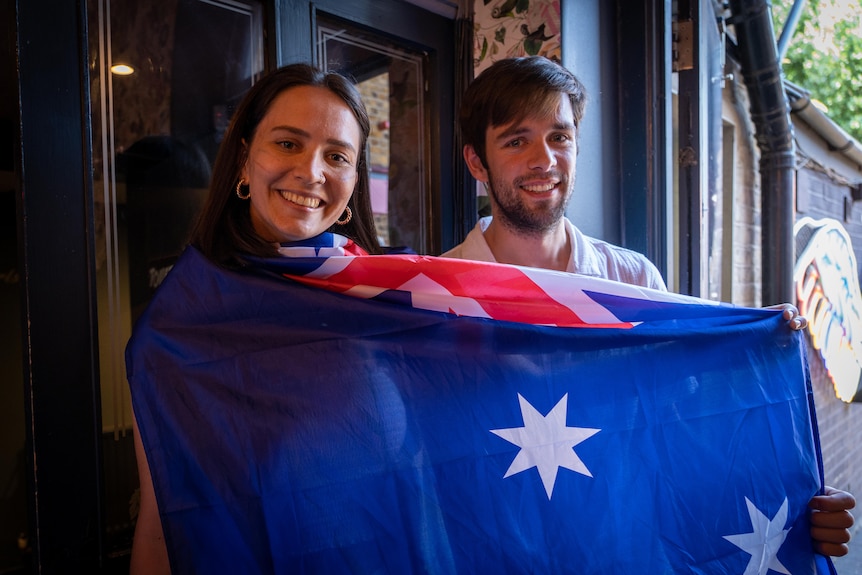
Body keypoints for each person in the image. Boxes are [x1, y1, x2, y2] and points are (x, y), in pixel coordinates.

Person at [441, 55, 856, 557]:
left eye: (560, 136)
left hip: (618, 545)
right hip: (488, 552)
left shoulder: (633, 281)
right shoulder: (431, 298)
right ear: (476, 162)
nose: (544, 160)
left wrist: (790, 497)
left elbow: (687, 433)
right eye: (516, 140)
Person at [129, 63, 382, 574]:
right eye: (288, 144)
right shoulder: (179, 327)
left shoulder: (391, 303)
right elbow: (162, 520)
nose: (312, 172)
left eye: (337, 156)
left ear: (353, 183)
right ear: (245, 159)